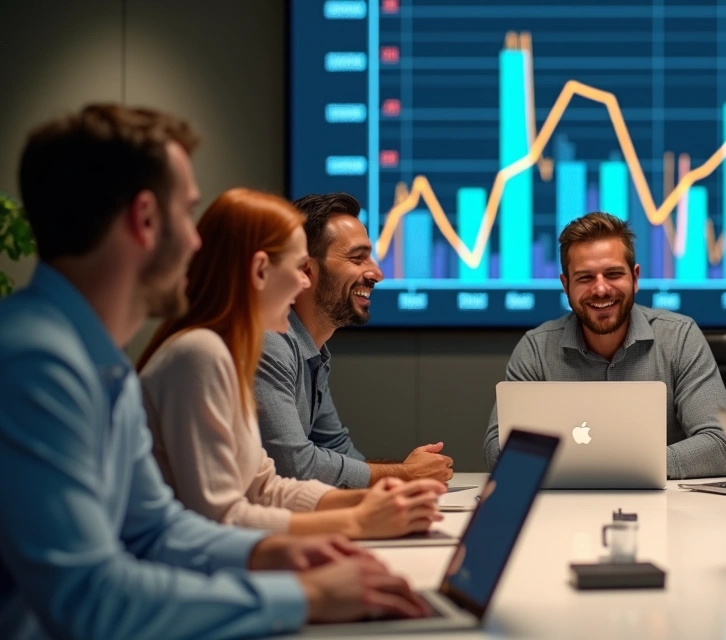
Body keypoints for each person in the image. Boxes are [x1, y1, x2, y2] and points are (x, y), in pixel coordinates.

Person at [0, 104, 430, 639]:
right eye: (187, 212)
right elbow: (89, 600)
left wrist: (283, 549)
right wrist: (306, 593)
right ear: (145, 220)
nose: (198, 241)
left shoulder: (96, 360)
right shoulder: (37, 363)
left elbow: (159, 530)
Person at [138, 187, 445, 539]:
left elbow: (265, 487)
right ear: (260, 271)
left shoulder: (224, 350)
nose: (304, 282)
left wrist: (378, 501)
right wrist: (359, 518)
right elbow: (222, 516)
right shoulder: (203, 353)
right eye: (298, 267)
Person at [483, 212, 726, 479]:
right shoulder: (536, 348)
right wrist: (614, 466)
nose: (601, 289)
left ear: (635, 278)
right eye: (585, 278)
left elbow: (722, 445)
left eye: (613, 274)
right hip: (560, 514)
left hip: (666, 512)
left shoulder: (680, 337)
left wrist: (618, 467)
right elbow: (497, 450)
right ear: (565, 285)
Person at [254, 192, 454, 488]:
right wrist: (405, 474)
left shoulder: (312, 352)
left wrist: (407, 472)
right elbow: (292, 465)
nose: (377, 274)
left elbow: (340, 453)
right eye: (357, 258)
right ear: (306, 269)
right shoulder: (269, 344)